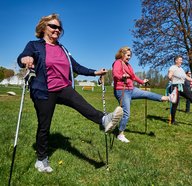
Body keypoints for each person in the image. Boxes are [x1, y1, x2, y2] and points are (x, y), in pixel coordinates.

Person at [17, 13, 123, 173]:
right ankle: (41, 159)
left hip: (63, 87)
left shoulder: (62, 49)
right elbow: (22, 57)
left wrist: (95, 72)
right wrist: (25, 59)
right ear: (43, 27)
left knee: (81, 103)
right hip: (43, 90)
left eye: (59, 28)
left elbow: (76, 67)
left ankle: (103, 119)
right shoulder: (34, 45)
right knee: (44, 126)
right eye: (53, 26)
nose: (57, 30)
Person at [112, 46, 177, 143]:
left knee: (146, 93)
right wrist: (122, 76)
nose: (129, 57)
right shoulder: (117, 62)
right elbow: (115, 74)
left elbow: (133, 77)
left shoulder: (128, 65)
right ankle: (120, 134)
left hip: (131, 89)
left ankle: (168, 98)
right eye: (128, 55)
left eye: (130, 56)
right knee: (126, 113)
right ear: (122, 53)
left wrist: (142, 82)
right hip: (122, 90)